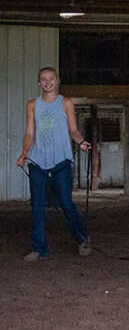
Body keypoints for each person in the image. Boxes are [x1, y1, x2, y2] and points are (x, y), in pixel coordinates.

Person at [16, 67, 92, 262]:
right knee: (37, 206)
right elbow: (30, 133)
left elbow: (73, 130)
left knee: (66, 203)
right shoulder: (32, 105)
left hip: (61, 160)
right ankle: (39, 248)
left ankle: (82, 238)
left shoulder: (66, 103)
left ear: (57, 81)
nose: (47, 82)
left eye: (51, 79)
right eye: (43, 79)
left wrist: (81, 141)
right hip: (38, 161)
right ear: (39, 83)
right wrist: (24, 153)